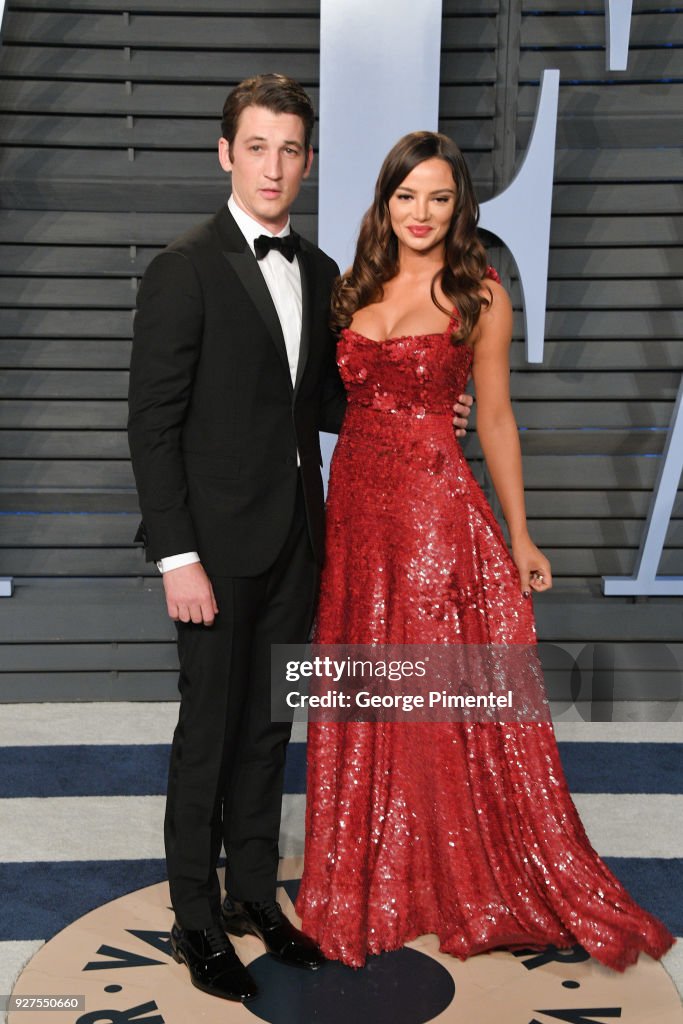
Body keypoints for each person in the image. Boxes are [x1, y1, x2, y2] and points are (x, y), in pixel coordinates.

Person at [128, 74, 475, 1002]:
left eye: (290, 150)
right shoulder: (184, 265)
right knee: (210, 730)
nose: (273, 165)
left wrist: (426, 401)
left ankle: (253, 897)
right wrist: (177, 557)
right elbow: (151, 426)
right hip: (211, 551)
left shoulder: (320, 272)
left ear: (308, 162)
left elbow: (321, 402)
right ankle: (194, 921)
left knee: (269, 729)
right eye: (257, 147)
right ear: (225, 153)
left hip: (300, 545)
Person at [295, 131, 675, 971]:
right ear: (383, 202)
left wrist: (521, 532)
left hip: (434, 516)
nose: (421, 214)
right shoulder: (347, 286)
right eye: (406, 196)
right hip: (356, 518)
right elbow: (327, 397)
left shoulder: (480, 294)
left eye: (438, 198)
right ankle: (378, 867)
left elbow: (495, 416)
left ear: (458, 205)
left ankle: (446, 871)